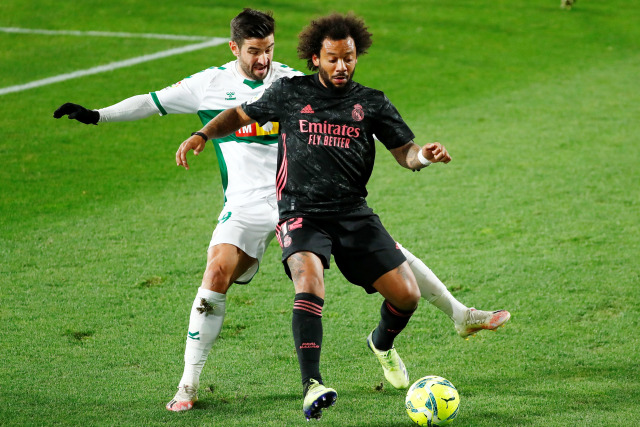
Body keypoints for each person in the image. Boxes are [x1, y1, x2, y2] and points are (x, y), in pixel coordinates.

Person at [55, 8, 509, 415]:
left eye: (269, 49)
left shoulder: (293, 83)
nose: (263, 60)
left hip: (303, 199)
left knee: (395, 260)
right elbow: (151, 103)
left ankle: (456, 314)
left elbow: (381, 139)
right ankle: (190, 382)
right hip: (250, 205)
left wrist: (415, 155)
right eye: (254, 51)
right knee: (216, 274)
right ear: (234, 48)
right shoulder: (207, 84)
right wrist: (99, 116)